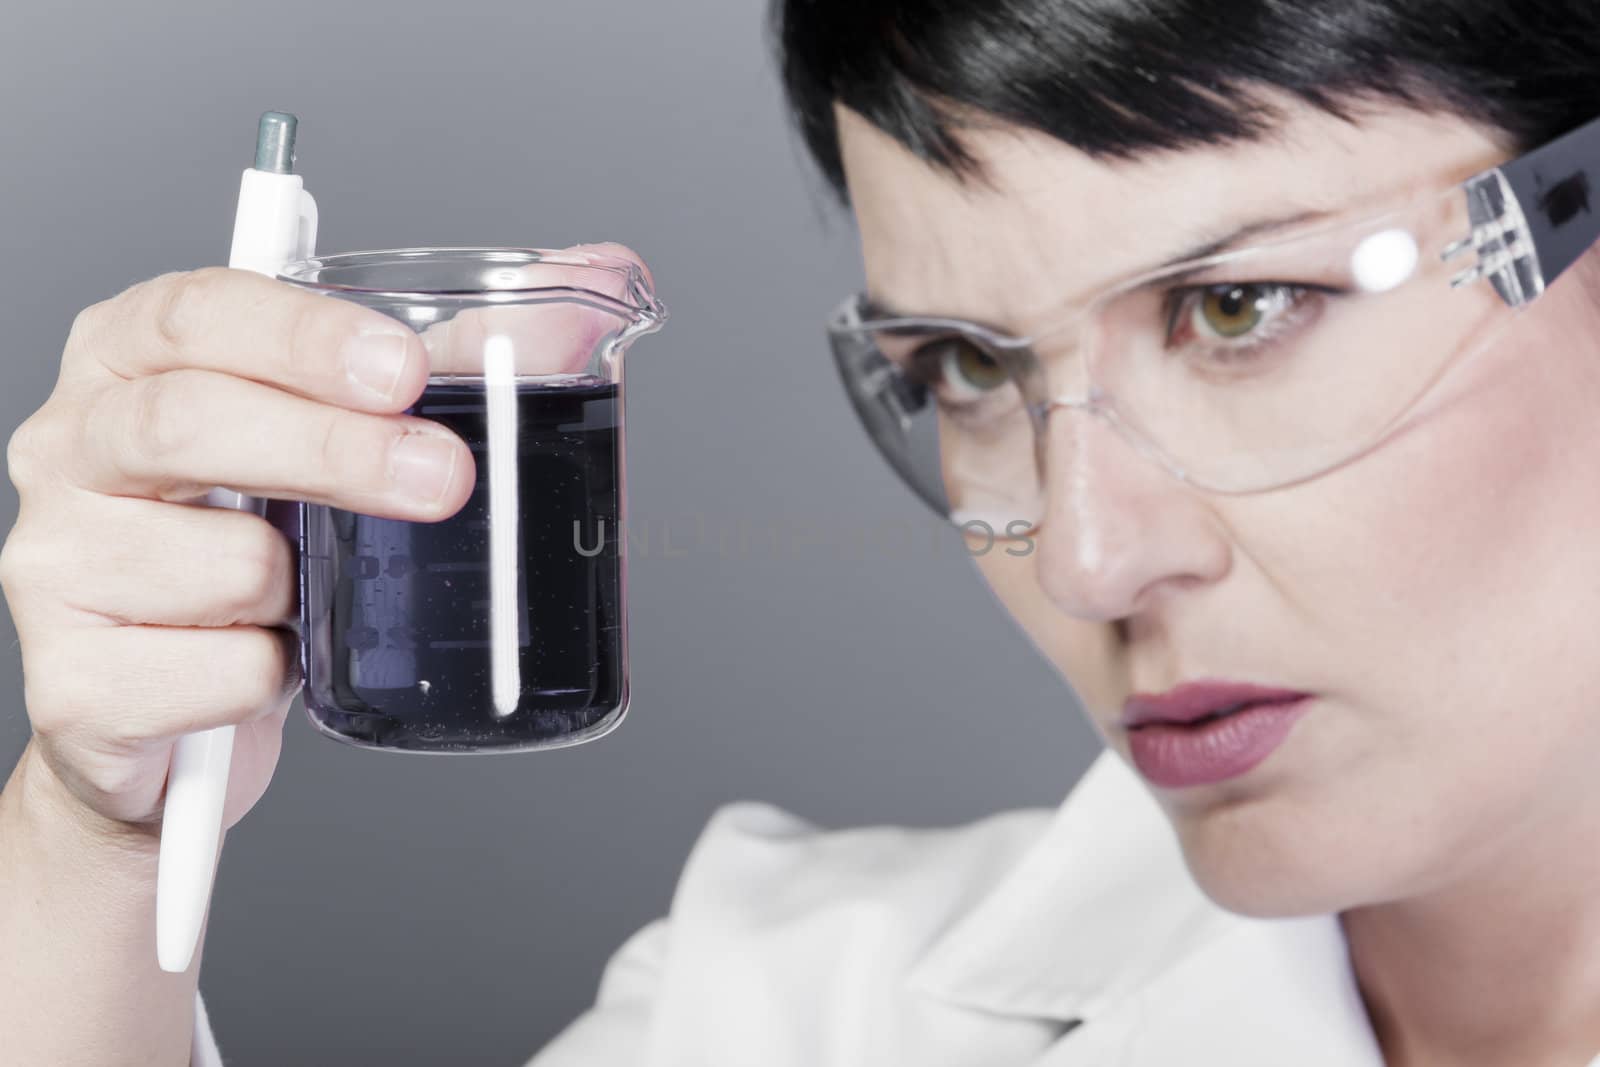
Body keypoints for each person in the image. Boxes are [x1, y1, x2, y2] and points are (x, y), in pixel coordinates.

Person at [6, 0, 1600, 1063]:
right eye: (969, 369)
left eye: (1241, 305)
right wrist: (94, 844)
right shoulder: (794, 1011)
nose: (1084, 557)